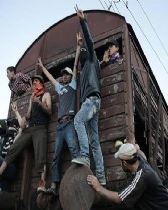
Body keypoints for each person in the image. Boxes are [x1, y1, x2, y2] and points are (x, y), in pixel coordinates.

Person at [0, 75, 52, 192]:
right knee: (13, 148)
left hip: (41, 128)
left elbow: (49, 111)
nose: (34, 83)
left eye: (36, 81)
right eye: (33, 81)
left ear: (41, 83)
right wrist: (25, 118)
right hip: (30, 128)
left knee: (40, 156)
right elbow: (29, 114)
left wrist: (39, 102)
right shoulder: (32, 97)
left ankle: (42, 183)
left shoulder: (46, 95)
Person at [36, 33, 82, 195]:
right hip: (60, 126)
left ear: (70, 77)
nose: (64, 76)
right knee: (56, 157)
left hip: (69, 123)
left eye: (66, 74)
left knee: (74, 152)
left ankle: (79, 181)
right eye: (63, 74)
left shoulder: (72, 86)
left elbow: (76, 67)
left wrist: (77, 47)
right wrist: (42, 68)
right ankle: (54, 186)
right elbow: (50, 77)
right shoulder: (59, 88)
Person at [71, 6, 106, 185]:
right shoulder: (83, 69)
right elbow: (77, 63)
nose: (85, 54)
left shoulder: (92, 61)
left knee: (77, 121)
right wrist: (78, 46)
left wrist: (83, 21)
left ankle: (84, 156)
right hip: (93, 102)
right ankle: (101, 176)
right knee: (95, 141)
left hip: (92, 101)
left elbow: (90, 44)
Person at [87, 143, 168, 210]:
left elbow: (119, 198)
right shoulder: (139, 159)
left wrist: (98, 187)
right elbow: (139, 151)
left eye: (120, 162)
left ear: (124, 163)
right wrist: (134, 148)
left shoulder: (142, 176)